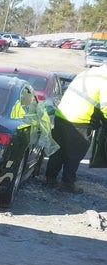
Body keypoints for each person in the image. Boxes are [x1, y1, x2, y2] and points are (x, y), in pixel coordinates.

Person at [44, 65, 107, 193]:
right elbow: (105, 106)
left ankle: (50, 179)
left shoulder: (87, 73)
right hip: (80, 120)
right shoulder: (105, 80)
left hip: (62, 115)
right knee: (74, 154)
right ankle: (67, 184)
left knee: (58, 151)